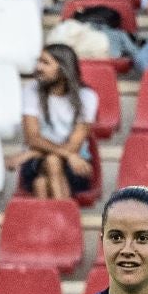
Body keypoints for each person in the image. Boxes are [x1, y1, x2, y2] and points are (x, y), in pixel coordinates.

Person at [12, 45, 98, 201]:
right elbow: (32, 138)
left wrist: (31, 152)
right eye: (39, 62)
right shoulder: (31, 90)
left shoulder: (87, 96)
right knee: (52, 162)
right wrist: (68, 155)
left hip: (76, 165)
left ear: (63, 68)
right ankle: (66, 223)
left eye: (45, 63)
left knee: (41, 183)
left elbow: (74, 146)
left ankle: (51, 224)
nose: (38, 67)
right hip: (37, 164)